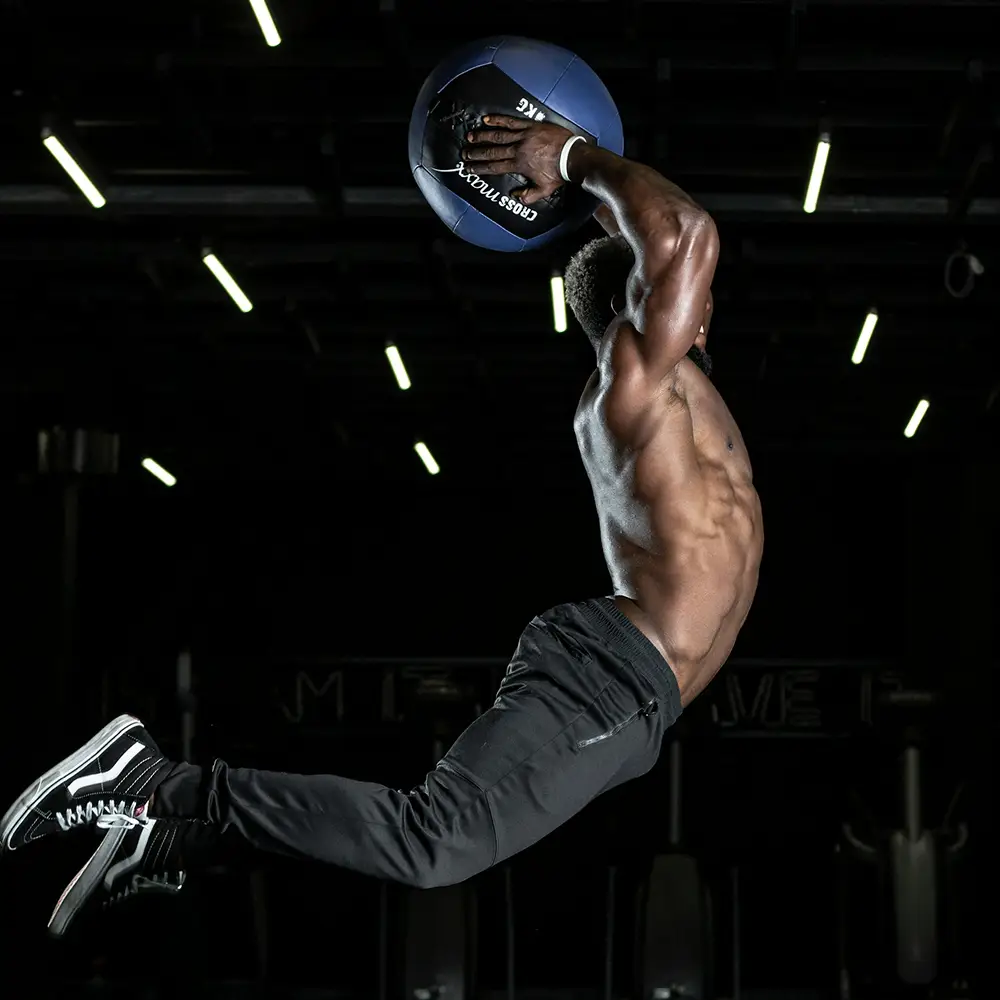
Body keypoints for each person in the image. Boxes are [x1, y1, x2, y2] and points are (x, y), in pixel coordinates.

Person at [1, 116, 763, 937]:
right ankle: (151, 780)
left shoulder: (684, 388)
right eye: (689, 294)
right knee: (432, 843)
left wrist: (577, 195)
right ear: (636, 303)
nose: (705, 302)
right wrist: (571, 156)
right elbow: (684, 232)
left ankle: (173, 835)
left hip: (643, 705)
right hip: (611, 674)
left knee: (439, 842)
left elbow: (649, 235)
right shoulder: (637, 381)